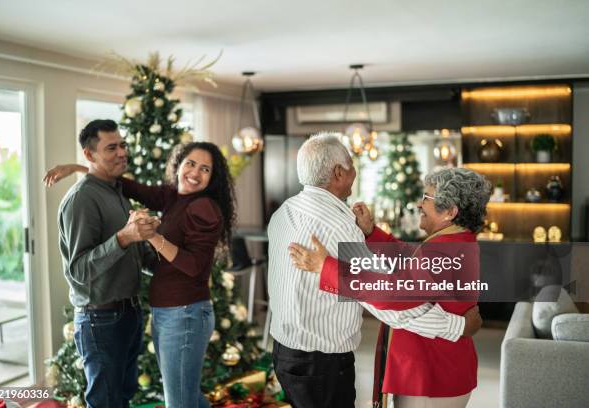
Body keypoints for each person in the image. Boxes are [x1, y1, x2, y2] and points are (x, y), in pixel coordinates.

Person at [267, 133, 482, 408]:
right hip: (322, 363)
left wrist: (361, 240)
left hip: (284, 352)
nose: (419, 203)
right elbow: (385, 300)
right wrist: (456, 327)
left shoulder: (284, 212)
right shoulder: (341, 226)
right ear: (338, 173)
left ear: (450, 211)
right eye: (352, 165)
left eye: (427, 197)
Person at [46, 140, 236, 408]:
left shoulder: (203, 207)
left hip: (185, 314)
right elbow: (129, 185)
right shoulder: (173, 197)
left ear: (212, 177)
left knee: (180, 401)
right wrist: (80, 167)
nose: (194, 172)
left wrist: (153, 237)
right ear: (178, 165)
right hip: (170, 313)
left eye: (205, 169)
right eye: (190, 163)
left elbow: (195, 267)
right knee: (187, 397)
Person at [55, 119, 159, 408]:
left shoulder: (117, 193)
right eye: (111, 147)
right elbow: (78, 272)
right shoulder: (81, 199)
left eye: (122, 145)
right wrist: (124, 238)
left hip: (129, 315)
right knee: (105, 403)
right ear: (89, 155)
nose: (122, 152)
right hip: (100, 321)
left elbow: (135, 255)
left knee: (122, 398)